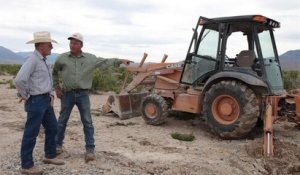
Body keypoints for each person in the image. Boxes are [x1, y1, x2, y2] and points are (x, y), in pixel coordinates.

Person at [53, 33, 131, 162]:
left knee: (87, 122)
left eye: (76, 43)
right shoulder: (62, 58)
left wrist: (120, 61)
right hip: (67, 94)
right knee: (62, 121)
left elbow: (105, 62)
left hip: (83, 94)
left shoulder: (90, 59)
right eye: (71, 42)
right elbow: (54, 72)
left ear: (81, 45)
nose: (73, 45)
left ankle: (90, 150)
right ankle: (57, 145)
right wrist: (57, 88)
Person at [15, 31, 64, 175]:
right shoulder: (32, 60)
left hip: (45, 100)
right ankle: (27, 165)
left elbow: (42, 81)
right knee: (31, 133)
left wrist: (49, 95)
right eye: (50, 45)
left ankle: (49, 155)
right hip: (36, 101)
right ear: (42, 45)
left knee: (53, 127)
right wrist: (26, 95)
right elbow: (19, 80)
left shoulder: (42, 59)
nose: (51, 48)